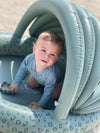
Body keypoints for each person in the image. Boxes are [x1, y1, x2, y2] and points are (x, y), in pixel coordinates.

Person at [9, 31, 65, 109]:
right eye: (43, 50)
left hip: (59, 81)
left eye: (52, 54)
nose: (46, 56)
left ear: (56, 59)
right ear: (35, 49)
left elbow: (49, 91)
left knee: (54, 95)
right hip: (42, 77)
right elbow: (23, 70)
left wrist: (41, 105)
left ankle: (46, 87)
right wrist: (16, 83)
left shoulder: (51, 75)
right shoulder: (29, 59)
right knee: (31, 83)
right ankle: (41, 84)